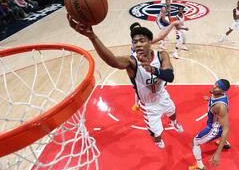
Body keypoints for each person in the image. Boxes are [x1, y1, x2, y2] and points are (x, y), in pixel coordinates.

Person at [68, 15, 184, 149]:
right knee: (156, 135)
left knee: (172, 111)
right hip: (149, 106)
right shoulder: (132, 61)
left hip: (162, 96)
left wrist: (151, 69)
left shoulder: (161, 55)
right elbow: (113, 61)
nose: (138, 44)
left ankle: (173, 122)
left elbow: (170, 77)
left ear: (150, 42)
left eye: (142, 40)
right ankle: (157, 140)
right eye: (135, 42)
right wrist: (92, 37)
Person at [129, 20, 182, 111]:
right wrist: (172, 24)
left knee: (160, 80)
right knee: (138, 86)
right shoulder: (136, 45)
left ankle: (158, 98)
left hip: (148, 65)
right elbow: (161, 36)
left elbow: (161, 36)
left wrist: (172, 24)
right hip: (139, 67)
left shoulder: (143, 41)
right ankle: (137, 104)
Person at [189, 79, 231, 170]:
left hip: (214, 129)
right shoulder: (216, 93)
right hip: (218, 122)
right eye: (215, 84)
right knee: (220, 128)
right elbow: (215, 97)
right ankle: (225, 143)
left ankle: (200, 166)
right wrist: (209, 99)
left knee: (195, 142)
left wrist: (217, 153)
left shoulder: (220, 106)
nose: (214, 87)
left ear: (223, 91)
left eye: (218, 87)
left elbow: (226, 129)